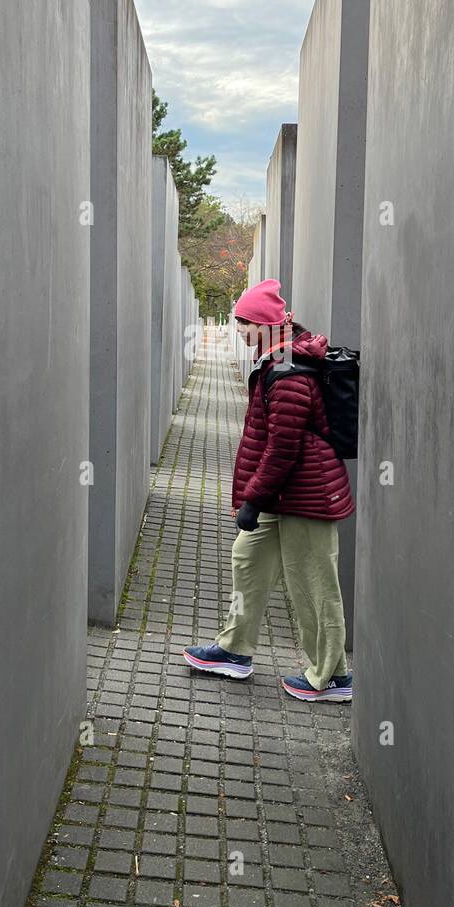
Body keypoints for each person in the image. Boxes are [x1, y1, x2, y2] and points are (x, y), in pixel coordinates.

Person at [183, 278, 354, 701]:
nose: (238, 329)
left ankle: (332, 677)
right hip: (281, 493)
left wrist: (253, 498)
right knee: (247, 559)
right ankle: (234, 650)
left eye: (244, 322)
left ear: (265, 324)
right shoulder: (274, 361)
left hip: (305, 496)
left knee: (313, 585)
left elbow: (283, 448)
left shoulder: (288, 373)